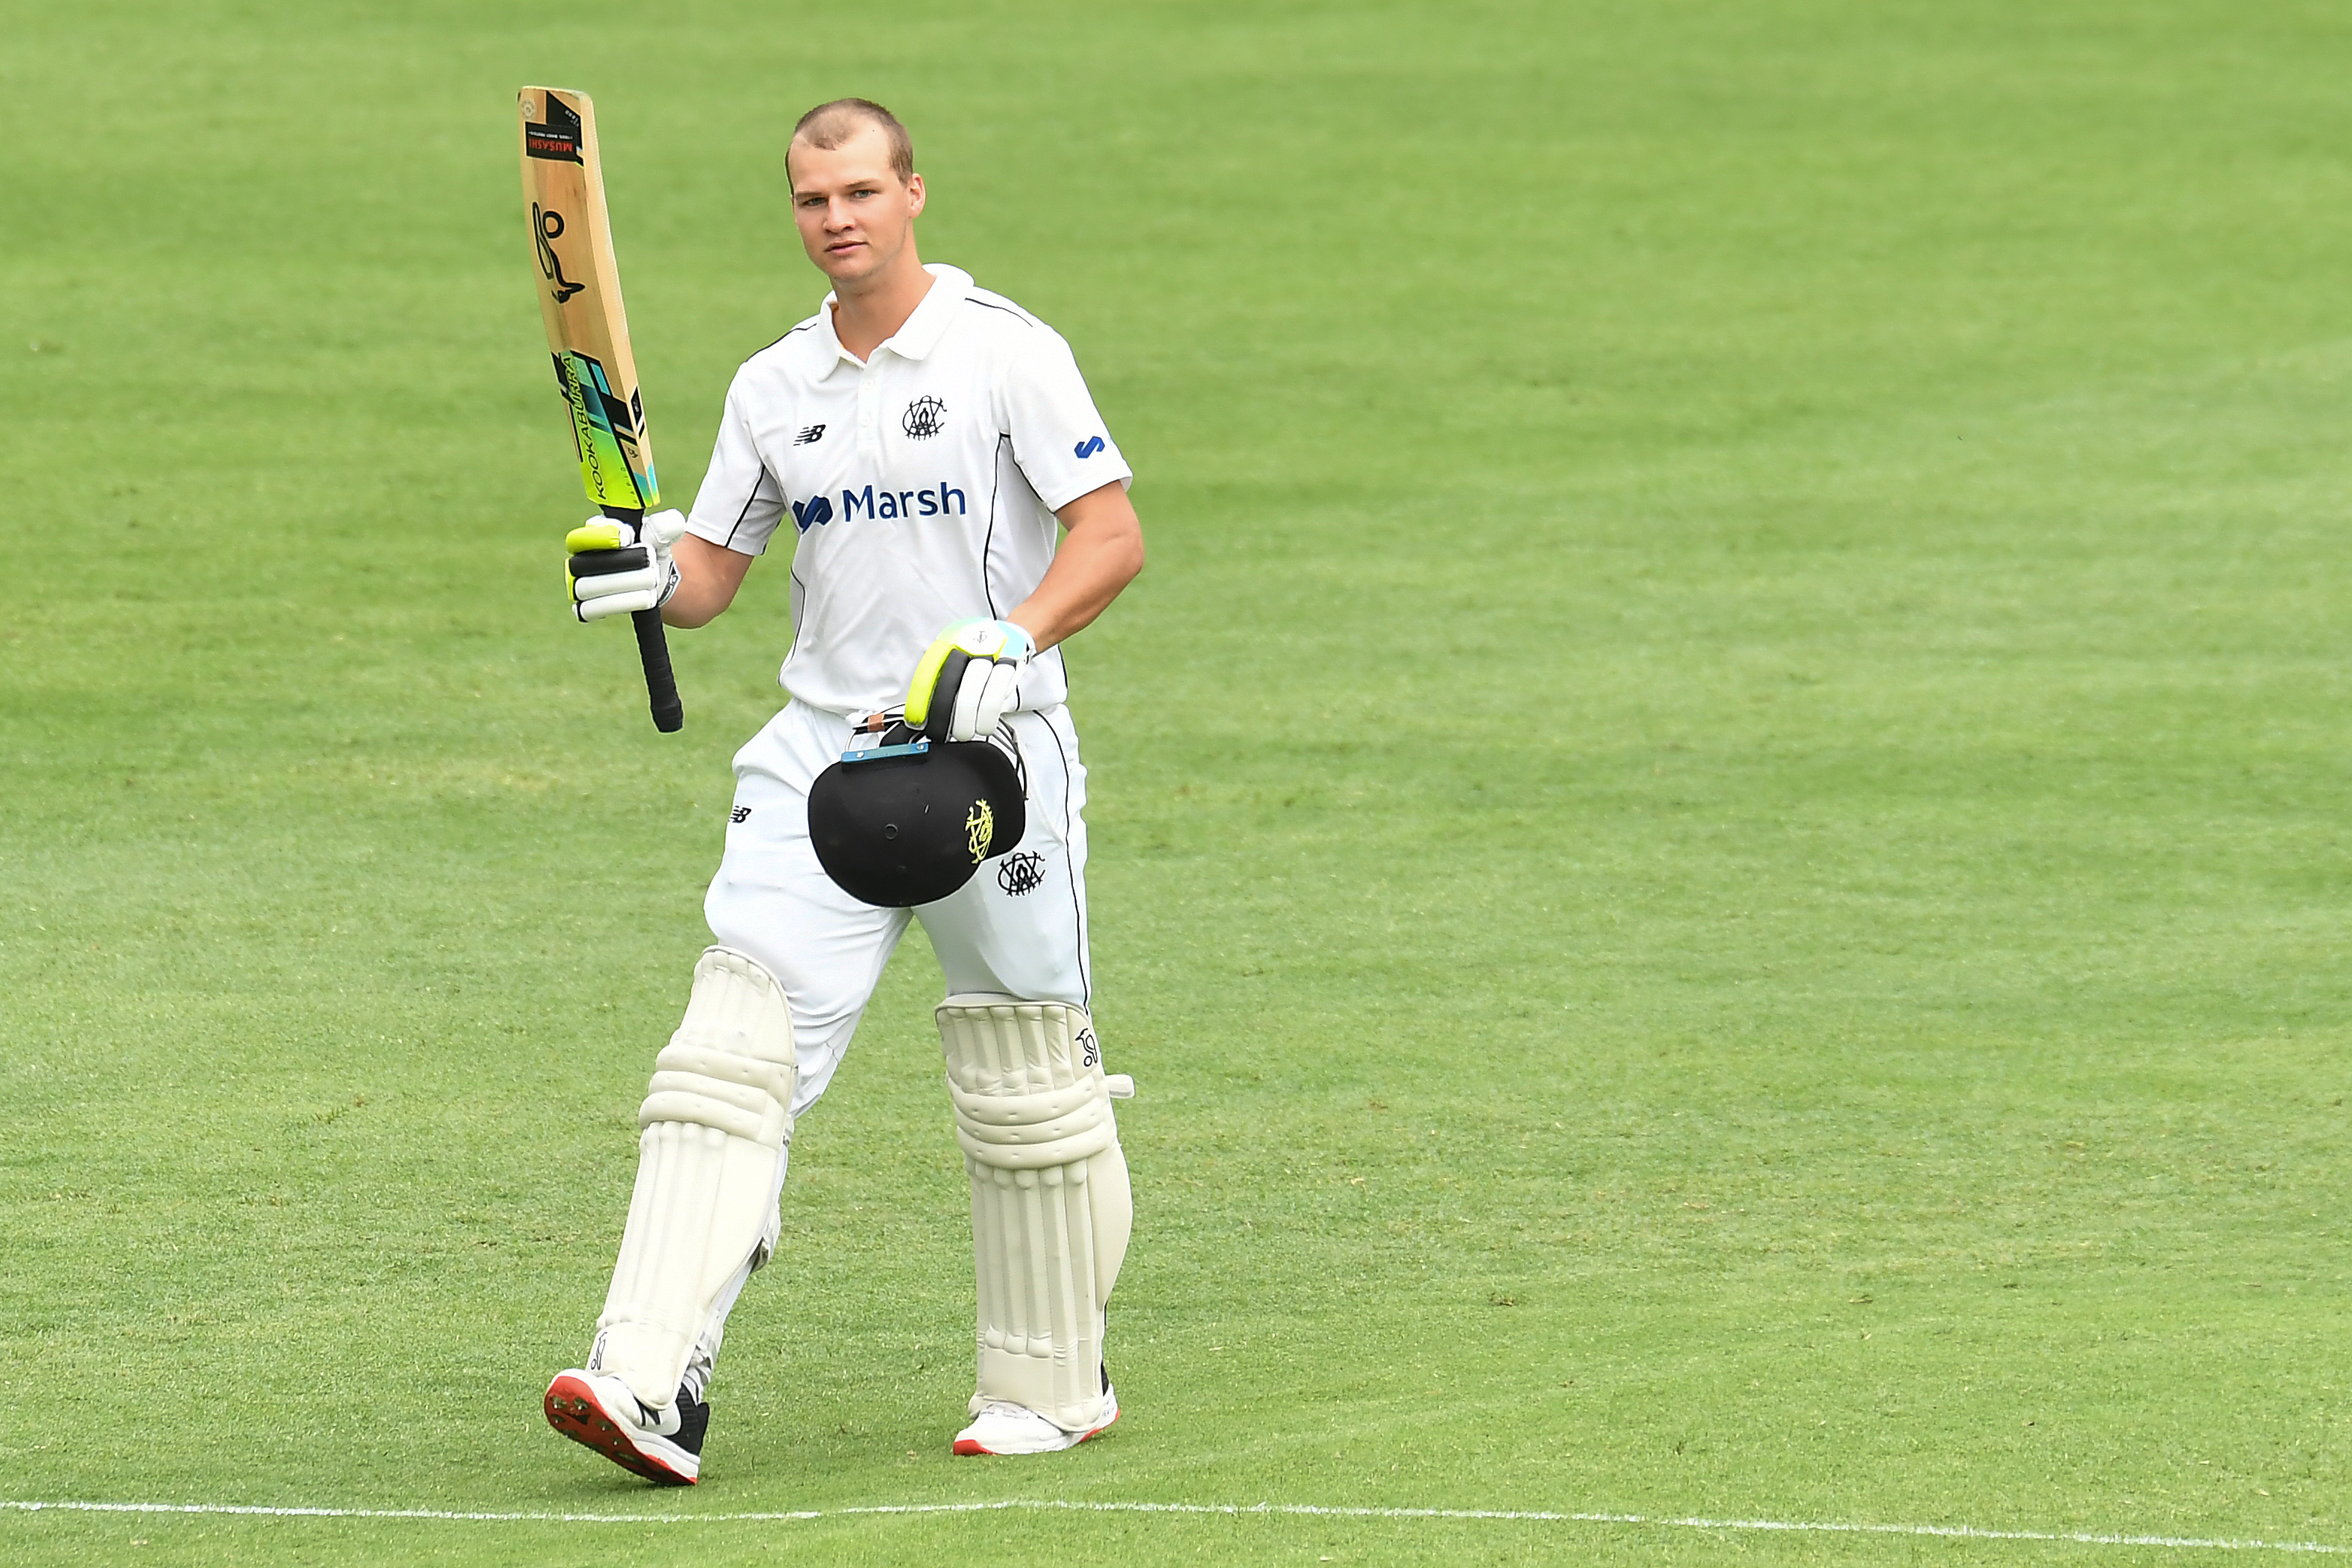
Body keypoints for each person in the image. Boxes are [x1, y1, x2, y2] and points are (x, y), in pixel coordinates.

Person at [539, 98, 1145, 1484]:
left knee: (1022, 1069)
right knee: (725, 1051)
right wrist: (639, 568)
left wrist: (1011, 637)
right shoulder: (773, 386)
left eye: (863, 191)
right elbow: (709, 579)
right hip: (823, 756)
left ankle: (1053, 1377)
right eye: (814, 199)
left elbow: (1109, 537)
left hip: (988, 751)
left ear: (912, 193)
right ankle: (647, 1378)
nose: (840, 218)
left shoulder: (1007, 353)